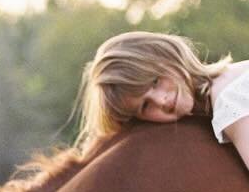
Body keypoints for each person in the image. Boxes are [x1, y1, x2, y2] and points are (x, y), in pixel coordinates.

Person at [76, 29, 249, 169]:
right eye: (145, 106)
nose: (161, 101)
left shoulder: (230, 102)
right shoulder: (232, 77)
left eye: (155, 81)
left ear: (167, 56)